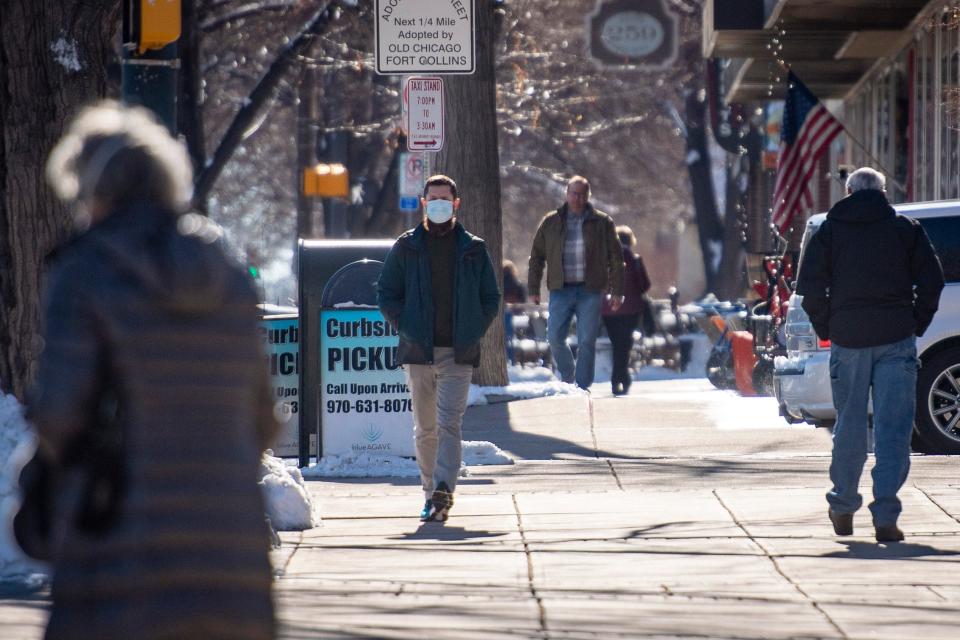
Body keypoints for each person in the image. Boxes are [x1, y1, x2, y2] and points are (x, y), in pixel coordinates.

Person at [29, 101, 280, 638]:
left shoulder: (87, 271)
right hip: (230, 547)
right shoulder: (228, 273)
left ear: (92, 191)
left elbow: (58, 414)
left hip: (120, 545)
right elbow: (265, 419)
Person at [797, 167, 944, 543]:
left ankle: (843, 506)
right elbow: (932, 280)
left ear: (848, 191)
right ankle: (886, 516)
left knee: (849, 426)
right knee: (893, 430)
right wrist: (916, 322)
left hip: (848, 339)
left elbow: (810, 287)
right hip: (896, 336)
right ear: (882, 192)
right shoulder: (905, 229)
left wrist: (827, 325)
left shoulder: (829, 230)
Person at [377, 175, 500, 522]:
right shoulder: (407, 247)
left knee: (449, 424)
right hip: (418, 352)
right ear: (424, 203)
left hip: (457, 353)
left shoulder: (474, 249)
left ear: (456, 204)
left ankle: (445, 488)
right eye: (434, 199)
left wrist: (473, 329)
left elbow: (490, 297)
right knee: (425, 427)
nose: (440, 205)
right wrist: (407, 326)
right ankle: (430, 492)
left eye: (446, 199)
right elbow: (386, 293)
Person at [528, 175, 624, 389]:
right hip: (561, 288)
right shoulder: (551, 222)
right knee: (554, 336)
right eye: (574, 193)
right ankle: (568, 375)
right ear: (566, 193)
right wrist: (533, 288)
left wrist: (617, 291)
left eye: (582, 194)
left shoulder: (602, 222)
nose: (577, 198)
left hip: (590, 289)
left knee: (586, 340)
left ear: (588, 196)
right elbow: (536, 256)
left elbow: (616, 259)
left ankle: (581, 385)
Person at [601, 226, 651, 396]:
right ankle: (621, 377)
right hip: (631, 309)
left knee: (617, 344)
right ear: (630, 241)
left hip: (609, 310)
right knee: (625, 344)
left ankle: (619, 379)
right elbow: (645, 285)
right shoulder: (635, 260)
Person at [502, 260, 527, 363]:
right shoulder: (518, 284)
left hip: (507, 315)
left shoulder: (501, 282)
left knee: (508, 337)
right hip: (517, 316)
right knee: (510, 337)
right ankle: (511, 359)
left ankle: (510, 358)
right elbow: (523, 300)